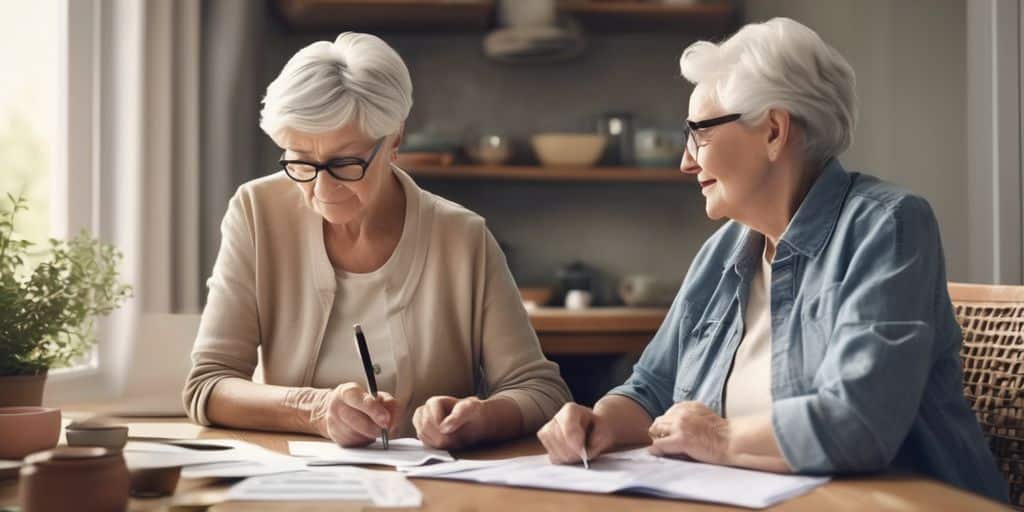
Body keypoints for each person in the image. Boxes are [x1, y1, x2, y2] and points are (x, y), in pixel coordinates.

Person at [537, 18, 1007, 502]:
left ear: (774, 131)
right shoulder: (723, 249)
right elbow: (653, 388)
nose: (685, 160)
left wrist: (717, 438)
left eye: (698, 132)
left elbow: (858, 423)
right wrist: (598, 423)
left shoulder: (886, 227)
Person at [183, 32, 571, 450]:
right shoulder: (256, 212)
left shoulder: (464, 238)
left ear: (395, 139)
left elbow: (542, 391)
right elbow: (208, 385)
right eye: (300, 162)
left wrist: (483, 417)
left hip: (435, 490)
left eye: (345, 163)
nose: (322, 189)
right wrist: (313, 409)